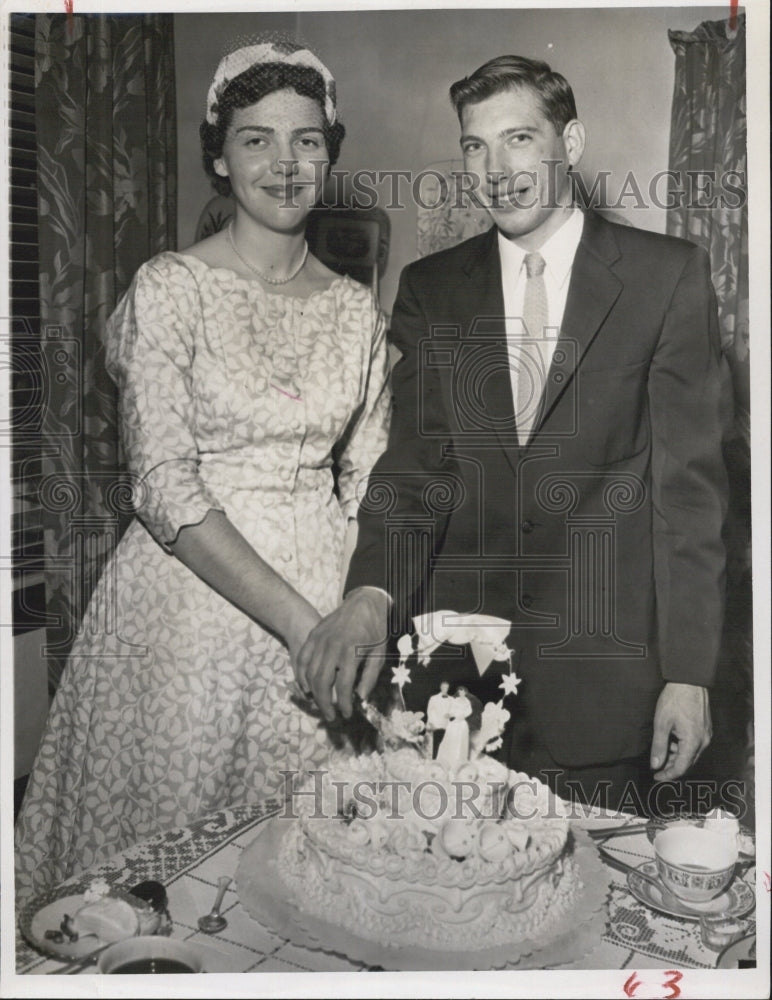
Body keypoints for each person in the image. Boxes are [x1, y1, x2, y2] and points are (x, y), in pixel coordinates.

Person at [298, 55, 727, 815]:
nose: (497, 169)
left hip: (606, 685)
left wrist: (688, 673)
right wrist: (369, 594)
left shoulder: (668, 279)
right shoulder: (431, 290)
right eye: (475, 145)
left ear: (572, 141)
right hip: (455, 684)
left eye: (520, 139)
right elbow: (415, 472)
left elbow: (686, 500)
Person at [15, 36, 390, 903]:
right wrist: (303, 626)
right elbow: (163, 486)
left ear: (330, 156)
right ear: (219, 158)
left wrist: (354, 613)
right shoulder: (170, 288)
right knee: (165, 885)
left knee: (317, 881)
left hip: (330, 597)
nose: (285, 163)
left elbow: (371, 478)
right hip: (190, 607)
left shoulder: (355, 308)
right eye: (256, 139)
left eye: (306, 140)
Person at [426, 680, 453, 756]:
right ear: (441, 688)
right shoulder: (433, 698)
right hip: (436, 725)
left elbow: (454, 710)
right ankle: (435, 760)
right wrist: (431, 723)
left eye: (447, 688)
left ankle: (444, 760)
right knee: (436, 745)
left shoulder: (451, 699)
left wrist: (450, 714)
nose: (445, 689)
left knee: (446, 744)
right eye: (444, 687)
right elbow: (429, 711)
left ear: (448, 688)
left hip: (446, 725)